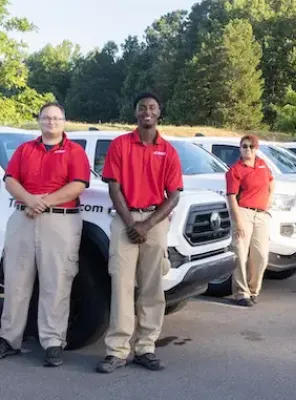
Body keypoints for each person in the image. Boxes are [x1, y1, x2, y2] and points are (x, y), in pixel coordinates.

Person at [96, 92, 183, 373]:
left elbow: (174, 195)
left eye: (152, 107)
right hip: (125, 219)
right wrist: (132, 222)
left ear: (159, 113)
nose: (147, 111)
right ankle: (117, 350)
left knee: (151, 286)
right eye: (142, 107)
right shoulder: (121, 145)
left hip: (155, 221)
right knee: (121, 285)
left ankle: (146, 347)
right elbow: (113, 187)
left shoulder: (168, 151)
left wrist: (146, 224)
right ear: (135, 113)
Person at [0, 102, 90, 366]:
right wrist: (29, 199)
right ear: (39, 120)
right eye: (46, 117)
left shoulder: (74, 151)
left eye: (56, 118)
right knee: (16, 281)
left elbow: (78, 185)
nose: (51, 122)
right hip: (24, 218)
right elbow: (10, 179)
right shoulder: (25, 149)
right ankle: (9, 339)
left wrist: (44, 202)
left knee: (56, 283)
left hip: (60, 222)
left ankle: (53, 342)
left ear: (64, 121)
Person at [226, 135, 275, 307]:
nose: (248, 149)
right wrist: (238, 221)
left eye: (251, 147)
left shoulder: (262, 164)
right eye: (244, 146)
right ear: (240, 148)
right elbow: (232, 197)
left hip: (261, 214)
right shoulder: (235, 170)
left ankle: (254, 289)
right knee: (240, 253)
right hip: (243, 212)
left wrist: (269, 201)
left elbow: (271, 181)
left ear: (256, 148)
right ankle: (241, 292)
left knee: (261, 255)